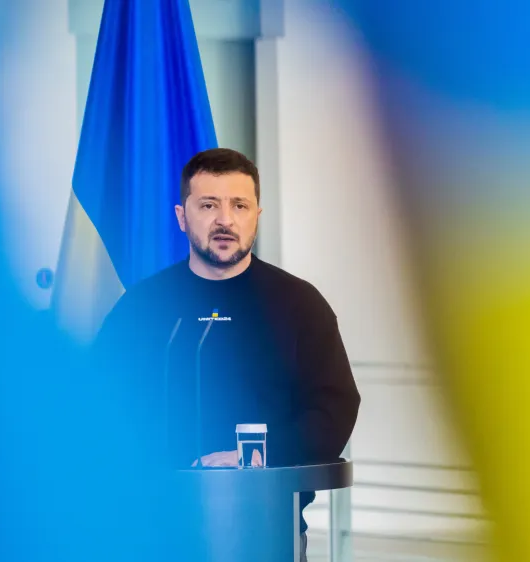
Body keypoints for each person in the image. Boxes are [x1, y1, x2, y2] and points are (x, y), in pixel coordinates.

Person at [92, 147, 360, 559]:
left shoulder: (300, 304)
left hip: (266, 527)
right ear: (182, 217)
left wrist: (252, 459)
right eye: (208, 205)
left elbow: (334, 410)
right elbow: (95, 405)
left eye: (239, 205)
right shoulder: (140, 307)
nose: (225, 219)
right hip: (150, 529)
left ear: (256, 215)